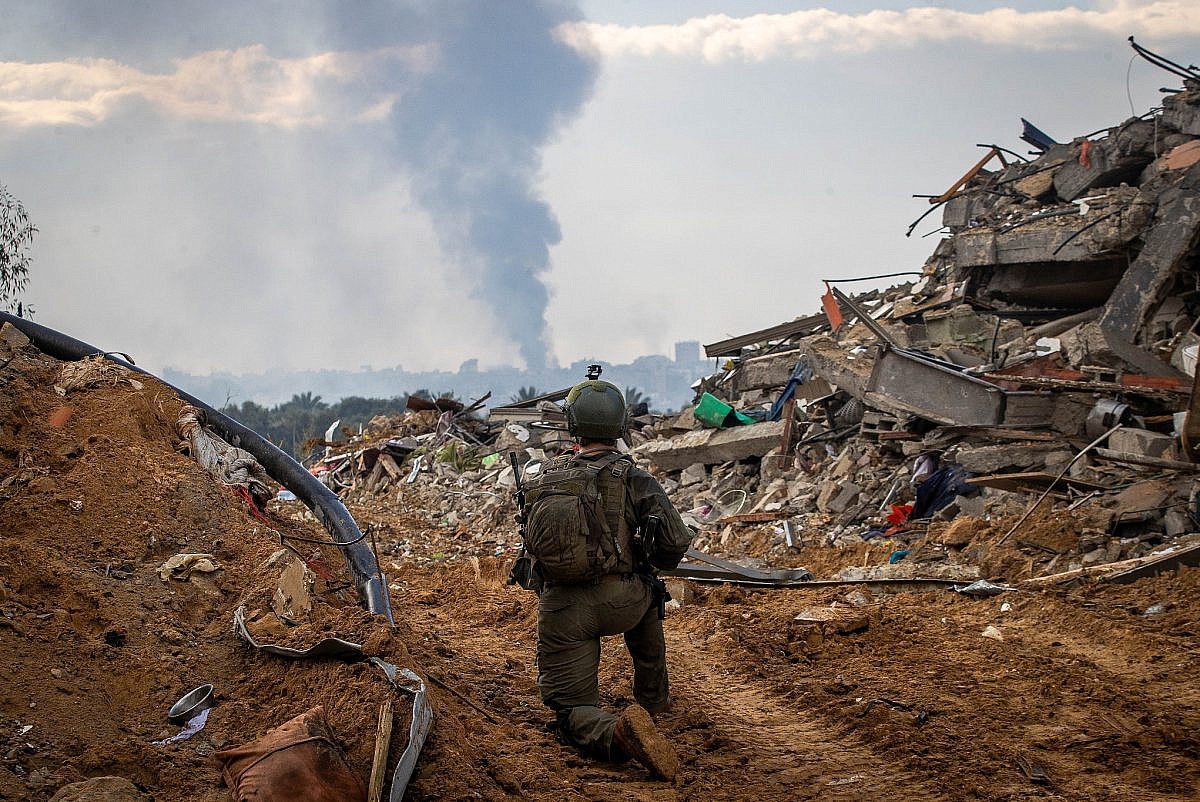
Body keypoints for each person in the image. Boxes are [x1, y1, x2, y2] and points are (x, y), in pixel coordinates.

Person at [532, 378, 695, 780]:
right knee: (652, 593)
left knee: (570, 710)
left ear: (573, 425)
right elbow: (674, 545)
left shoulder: (547, 478)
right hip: (625, 602)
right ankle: (652, 704)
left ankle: (617, 733)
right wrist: (643, 561)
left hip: (565, 608)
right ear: (620, 425)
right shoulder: (636, 479)